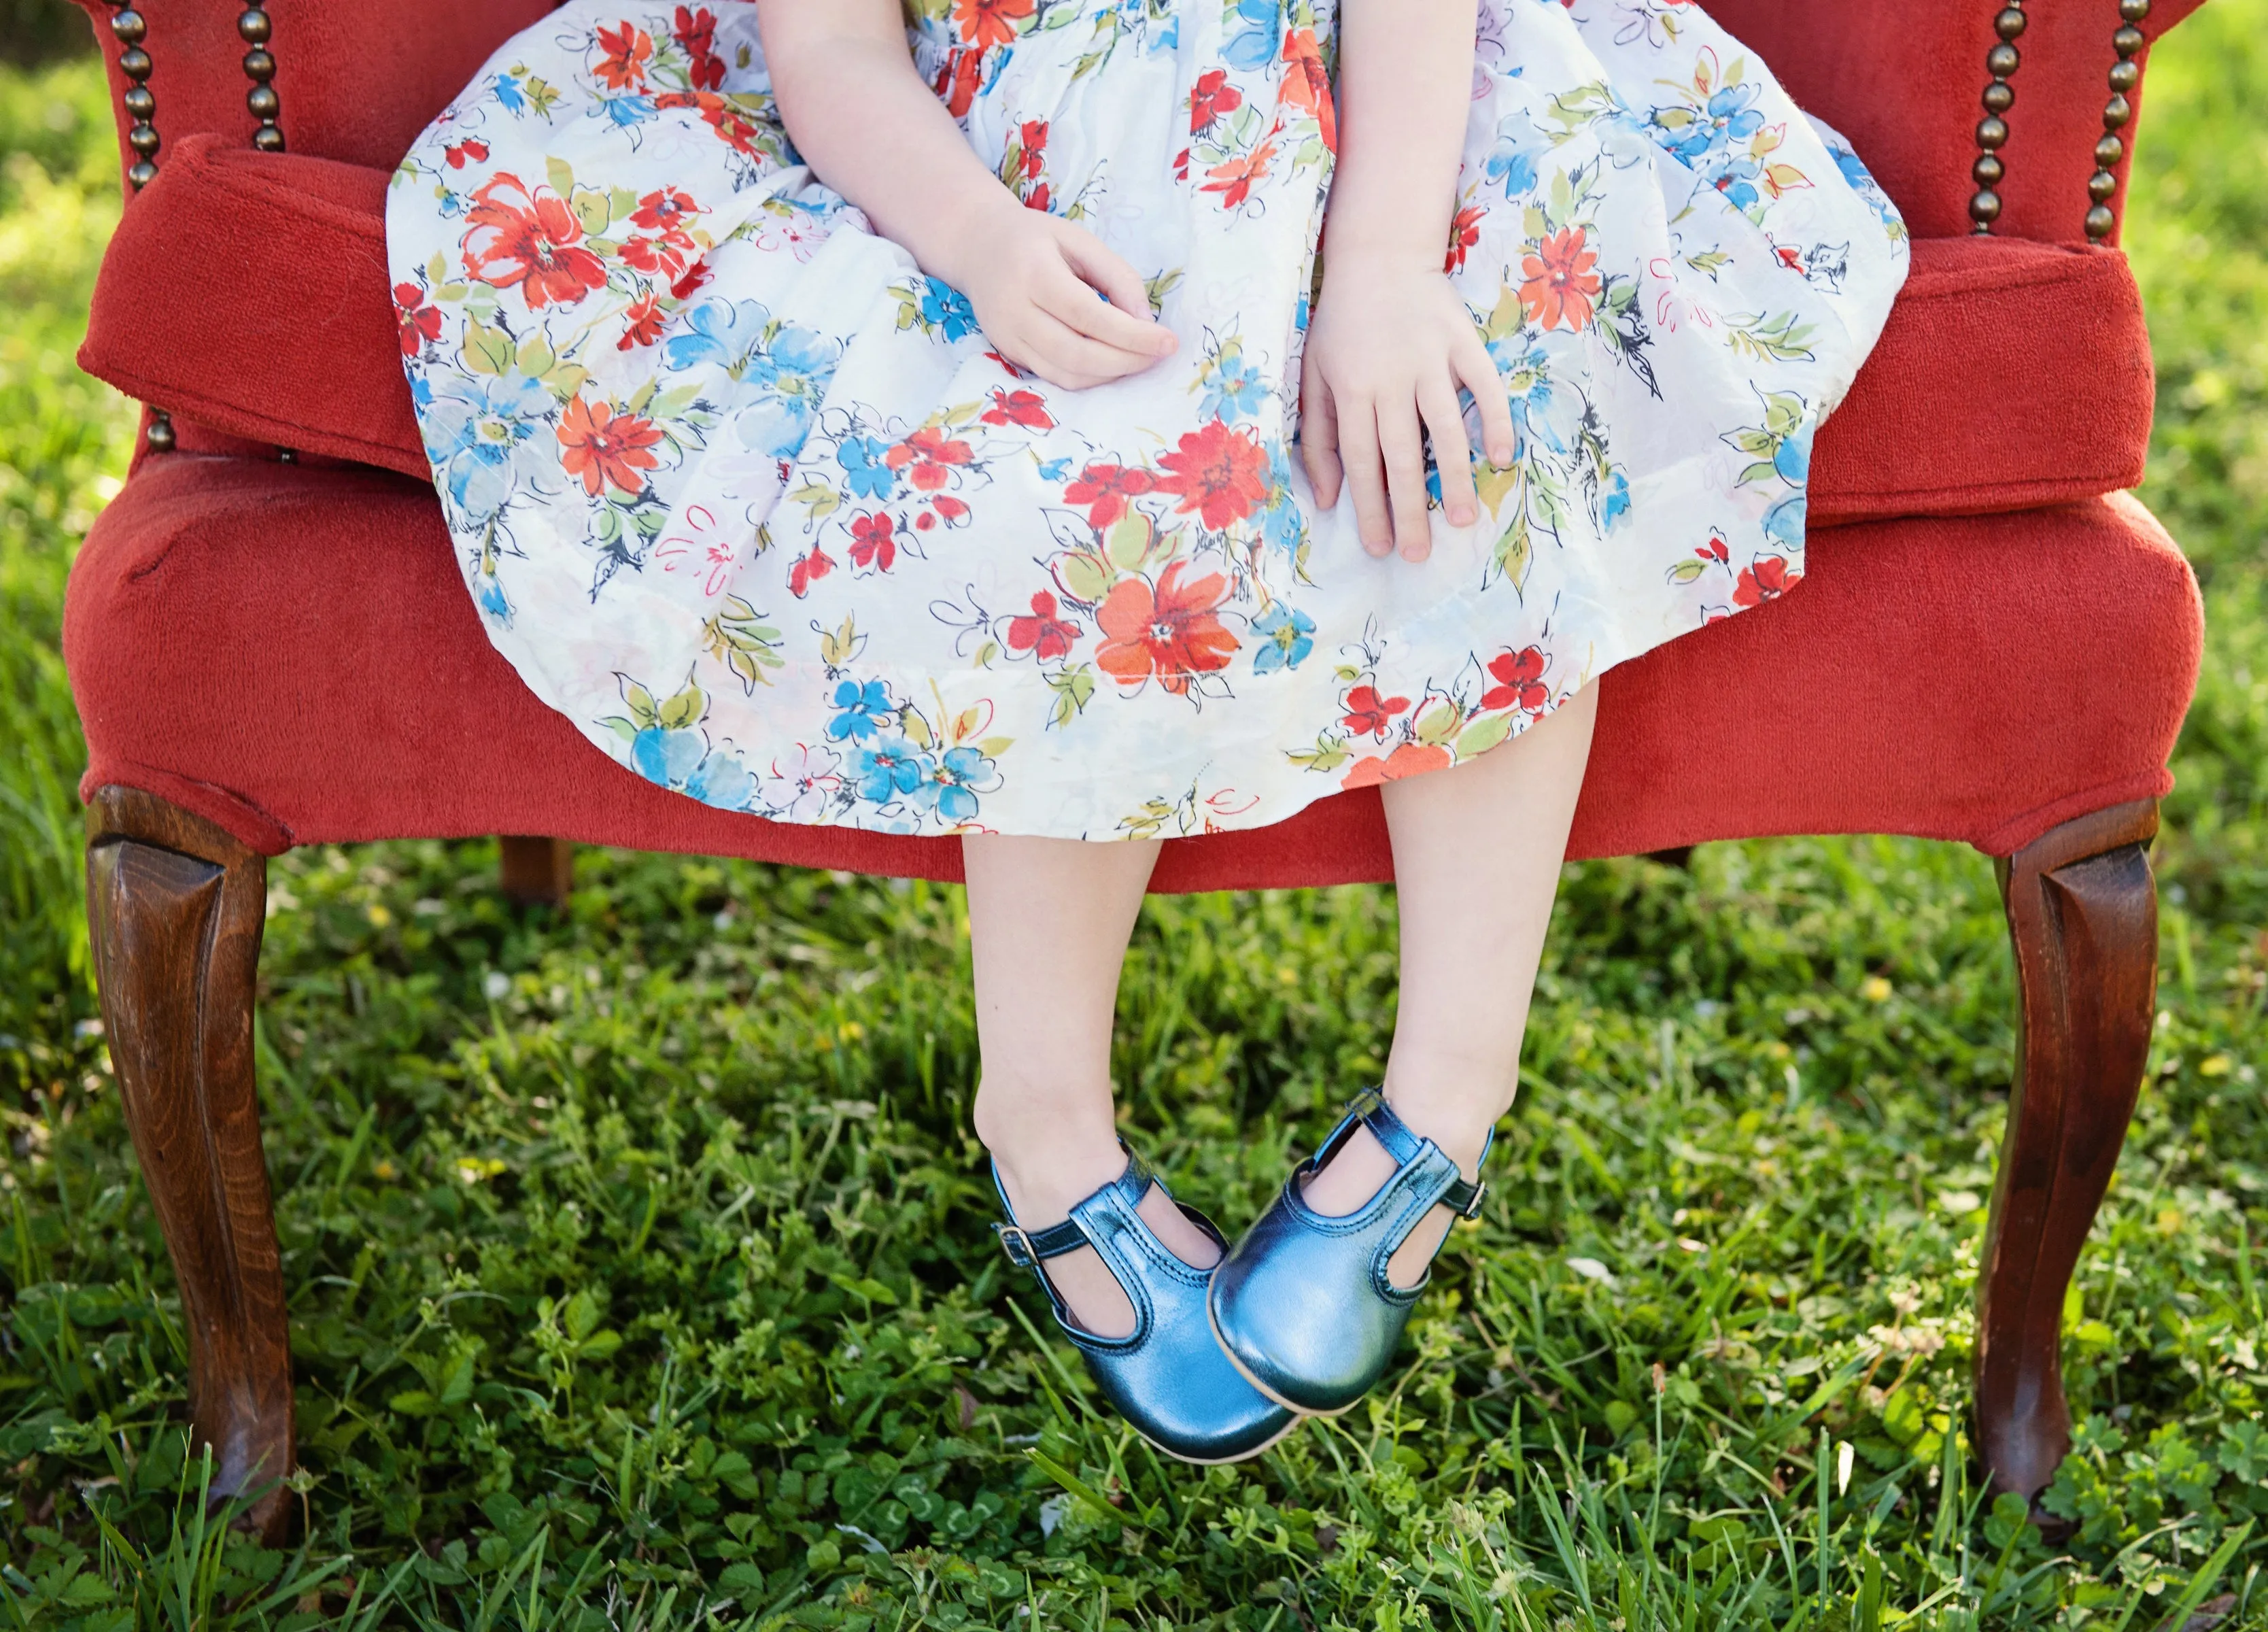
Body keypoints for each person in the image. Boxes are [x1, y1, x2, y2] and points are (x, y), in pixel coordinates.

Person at [388, 0, 1907, 1463]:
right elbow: (836, 43)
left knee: (1475, 410)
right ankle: (1046, 1126)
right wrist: (984, 244)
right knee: (1075, 493)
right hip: (1004, 154)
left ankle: (1448, 1105)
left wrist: (1383, 260)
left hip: (1398, 96)